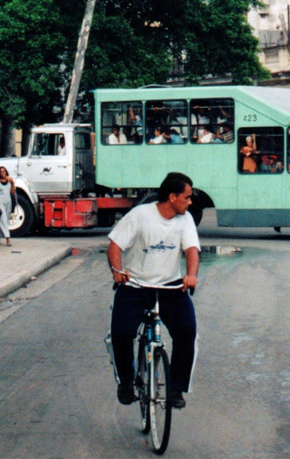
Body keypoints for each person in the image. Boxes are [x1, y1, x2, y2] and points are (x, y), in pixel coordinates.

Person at [108, 173, 200, 410]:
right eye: (187, 197)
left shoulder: (185, 219)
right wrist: (117, 270)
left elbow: (191, 250)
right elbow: (115, 245)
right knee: (121, 332)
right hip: (136, 286)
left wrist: (191, 275)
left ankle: (176, 388)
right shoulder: (140, 215)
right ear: (172, 197)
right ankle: (126, 381)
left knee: (187, 331)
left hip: (170, 287)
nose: (190, 202)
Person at [0, 166, 16, 247]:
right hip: (0, 202)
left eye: (4, 171)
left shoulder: (9, 182)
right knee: (2, 219)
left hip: (8, 202)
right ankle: (8, 238)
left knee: (4, 220)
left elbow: (12, 193)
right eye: (1, 172)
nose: (3, 173)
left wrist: (13, 183)